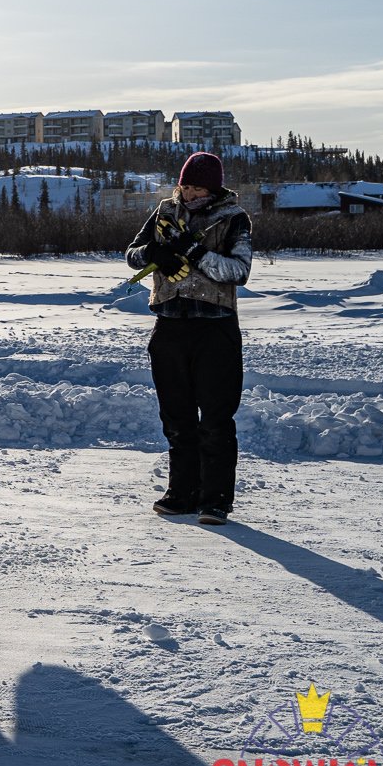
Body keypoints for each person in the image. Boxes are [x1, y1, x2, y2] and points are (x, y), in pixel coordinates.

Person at [125, 151, 254, 526]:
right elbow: (132, 254)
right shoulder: (164, 212)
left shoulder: (233, 218)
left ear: (213, 188)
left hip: (215, 327)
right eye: (186, 185)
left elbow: (238, 271)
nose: (190, 193)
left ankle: (215, 499)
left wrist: (196, 252)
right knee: (176, 416)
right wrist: (153, 252)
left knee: (215, 417)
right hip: (169, 324)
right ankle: (181, 492)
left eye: (198, 186)